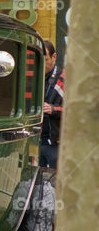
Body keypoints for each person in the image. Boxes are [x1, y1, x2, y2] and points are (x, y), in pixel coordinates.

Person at [39, 40, 63, 169]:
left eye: (45, 59)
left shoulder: (64, 77)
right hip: (36, 140)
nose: (42, 64)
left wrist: (53, 109)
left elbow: (76, 111)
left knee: (54, 183)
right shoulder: (34, 77)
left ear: (54, 57)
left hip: (55, 143)